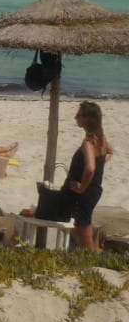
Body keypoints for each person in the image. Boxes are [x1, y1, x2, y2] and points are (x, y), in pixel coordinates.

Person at [22, 101, 113, 251]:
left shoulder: (89, 143)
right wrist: (98, 167)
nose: (75, 117)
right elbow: (109, 153)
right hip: (91, 190)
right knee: (83, 223)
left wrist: (82, 187)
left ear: (86, 119)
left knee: (82, 228)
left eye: (78, 115)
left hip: (81, 193)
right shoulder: (101, 139)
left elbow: (90, 168)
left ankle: (90, 260)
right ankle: (88, 257)